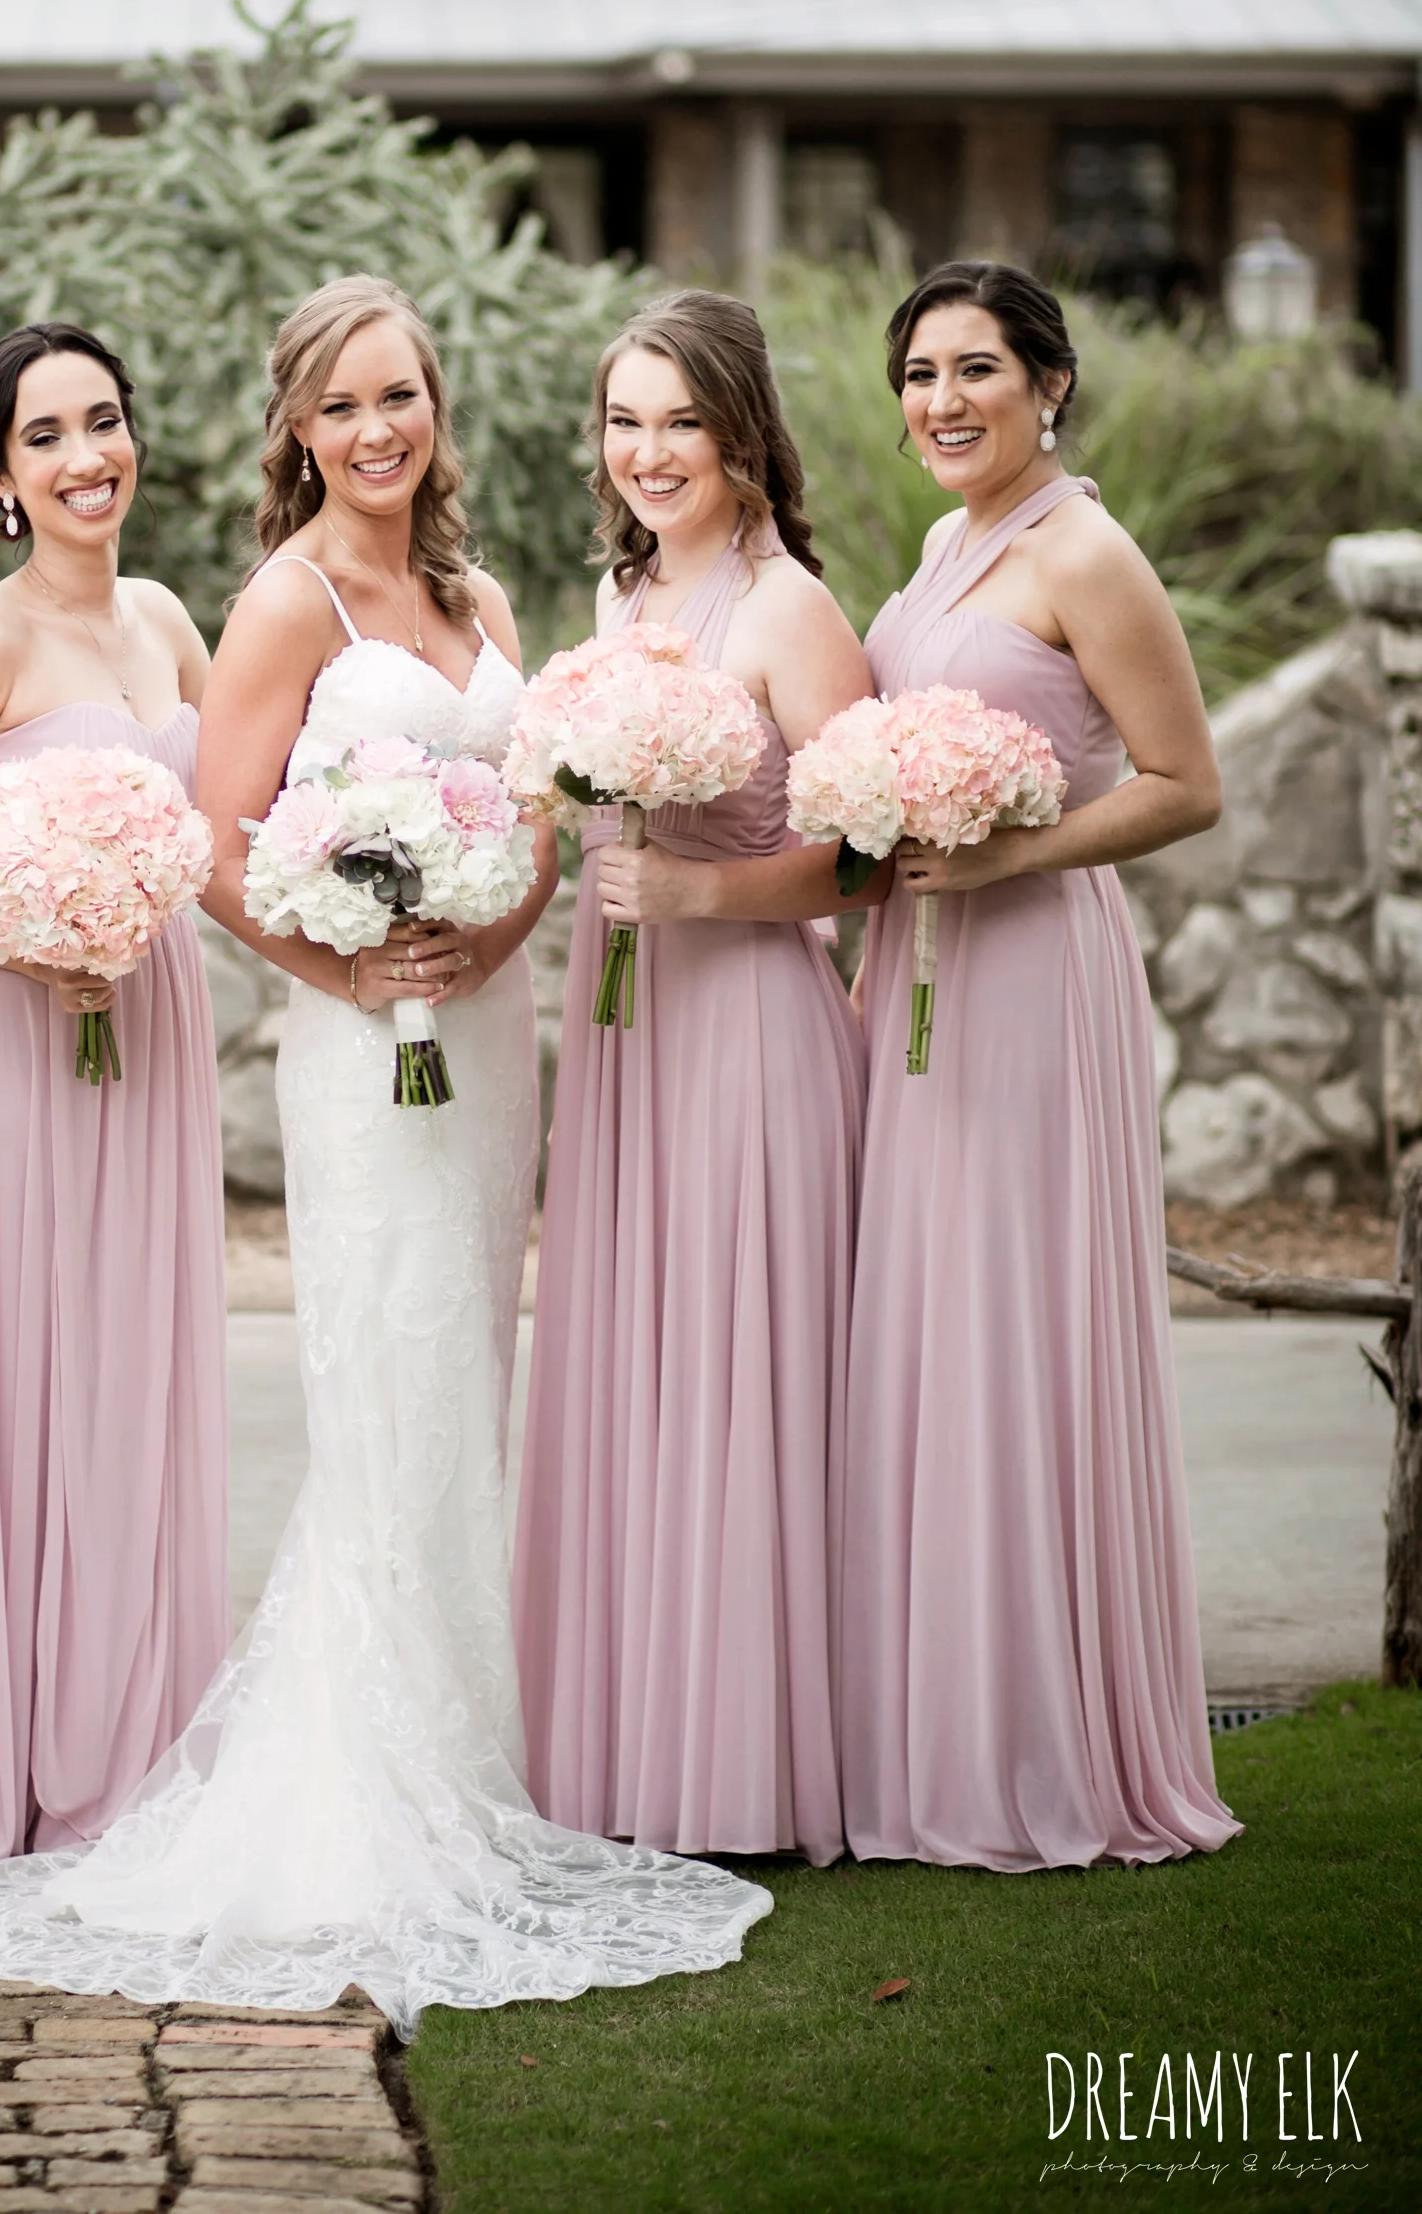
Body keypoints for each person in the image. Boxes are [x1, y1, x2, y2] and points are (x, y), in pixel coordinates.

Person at [0, 275, 772, 2031]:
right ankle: (370, 1791)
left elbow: (532, 814)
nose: (381, 431)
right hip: (362, 1050)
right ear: (299, 428)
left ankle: (476, 1766)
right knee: (391, 1384)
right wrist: (353, 965)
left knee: (472, 1379)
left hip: (490, 1032)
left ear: (436, 410)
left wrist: (493, 948)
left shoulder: (482, 593)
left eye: (405, 398)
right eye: (345, 405)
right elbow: (218, 851)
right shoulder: (282, 606)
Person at [841, 257, 1238, 1870]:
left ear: (1049, 385)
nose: (944, 402)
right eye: (921, 375)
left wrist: (1013, 855)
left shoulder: (1089, 550)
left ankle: (1042, 1741)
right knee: (930, 1316)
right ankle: (930, 1717)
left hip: (1027, 972)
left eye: (978, 370)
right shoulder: (947, 544)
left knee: (1012, 1321)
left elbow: (1185, 780)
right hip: (918, 963)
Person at [515, 290, 878, 1865]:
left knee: (738, 1378)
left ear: (741, 434)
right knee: (641, 1368)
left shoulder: (788, 611)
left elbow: (869, 853)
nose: (648, 452)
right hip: (624, 1044)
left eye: (679, 421)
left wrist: (701, 897)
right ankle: (631, 1741)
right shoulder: (622, 597)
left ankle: (746, 1766)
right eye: (624, 421)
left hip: (744, 1033)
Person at [0, 324, 228, 1872]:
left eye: (106, 421)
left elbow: (233, 813)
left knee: (128, 1378)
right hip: (9, 1049)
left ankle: (127, 1738)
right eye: (49, 438)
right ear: (2, 478)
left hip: (152, 1037)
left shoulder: (163, 620)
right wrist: (21, 931)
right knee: (12, 1383)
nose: (89, 457)